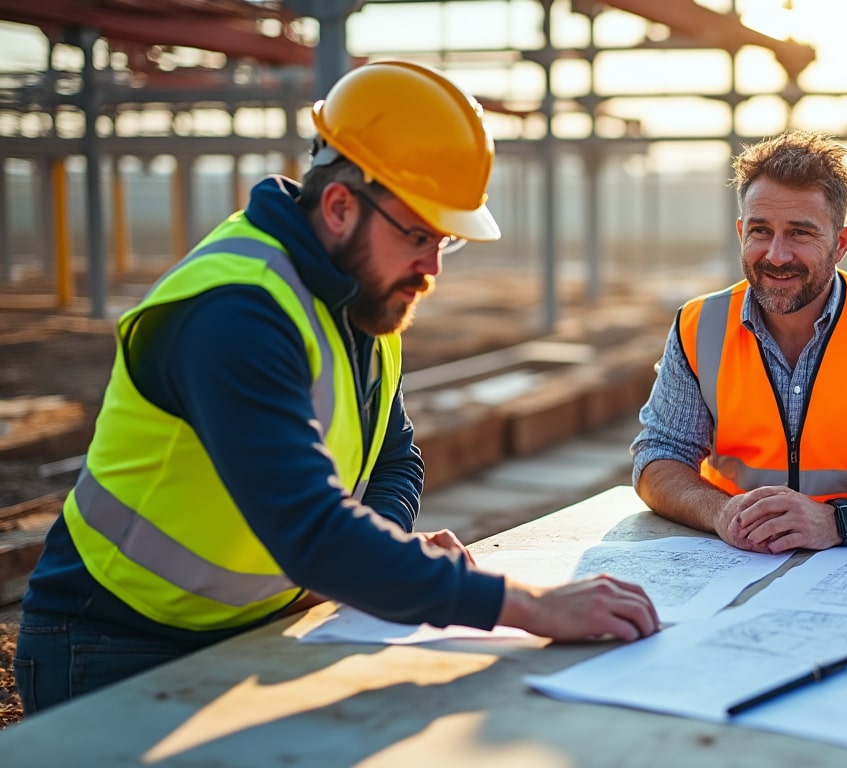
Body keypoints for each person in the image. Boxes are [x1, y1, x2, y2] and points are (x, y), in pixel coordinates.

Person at [14, 60, 658, 714]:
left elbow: (394, 455)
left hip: (257, 625)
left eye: (444, 242)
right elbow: (312, 532)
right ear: (341, 205)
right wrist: (529, 604)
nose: (431, 268)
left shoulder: (365, 305)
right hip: (113, 642)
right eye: (417, 235)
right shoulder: (234, 311)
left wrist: (375, 551)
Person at [631, 131, 847, 555]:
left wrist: (837, 520)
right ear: (742, 231)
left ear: (841, 244)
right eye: (761, 231)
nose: (777, 255)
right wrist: (723, 514)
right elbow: (658, 455)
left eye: (800, 233)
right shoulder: (699, 326)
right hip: (733, 561)